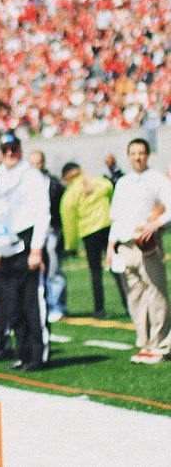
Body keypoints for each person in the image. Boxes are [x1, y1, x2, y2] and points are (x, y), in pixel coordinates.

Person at [0, 134, 51, 371]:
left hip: (27, 242)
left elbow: (43, 212)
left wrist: (37, 249)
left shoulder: (31, 175)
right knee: (14, 304)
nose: (9, 153)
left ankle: (37, 355)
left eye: (13, 149)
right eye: (5, 149)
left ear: (19, 150)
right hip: (5, 245)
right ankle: (22, 353)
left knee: (33, 302)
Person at [107, 138, 171, 364]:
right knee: (135, 297)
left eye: (141, 153)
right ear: (128, 155)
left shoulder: (157, 180)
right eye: (133, 153)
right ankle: (144, 343)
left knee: (156, 295)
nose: (137, 157)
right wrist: (110, 246)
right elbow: (116, 217)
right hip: (125, 246)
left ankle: (161, 345)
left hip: (147, 245)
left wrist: (157, 223)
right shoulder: (123, 182)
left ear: (147, 155)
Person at [60, 162, 127, 318]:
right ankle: (128, 303)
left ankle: (99, 309)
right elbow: (111, 191)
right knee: (117, 269)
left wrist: (71, 245)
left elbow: (69, 221)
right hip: (107, 228)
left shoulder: (70, 194)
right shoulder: (99, 183)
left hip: (89, 233)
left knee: (95, 272)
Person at [29, 149, 68, 321]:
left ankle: (57, 305)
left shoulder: (52, 183)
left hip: (51, 229)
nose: (36, 166)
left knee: (53, 268)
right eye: (33, 163)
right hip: (32, 231)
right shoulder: (23, 183)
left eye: (39, 162)